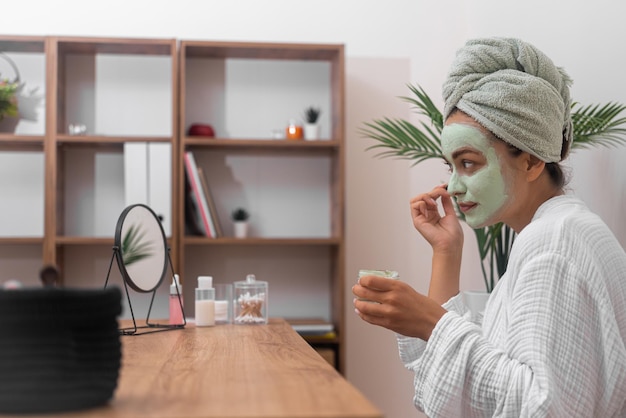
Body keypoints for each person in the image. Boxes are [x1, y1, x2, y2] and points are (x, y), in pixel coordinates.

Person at [352, 37, 626, 417]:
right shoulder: (558, 229)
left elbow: (543, 408)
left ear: (531, 162)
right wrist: (446, 252)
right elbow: (487, 364)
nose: (452, 186)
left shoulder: (553, 244)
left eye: (468, 163)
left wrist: (434, 323)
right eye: (450, 167)